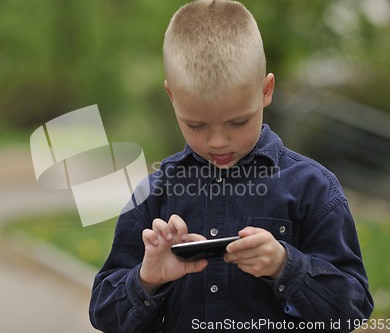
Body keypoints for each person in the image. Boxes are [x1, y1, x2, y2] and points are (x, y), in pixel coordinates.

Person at [89, 0, 374, 332]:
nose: (218, 142)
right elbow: (104, 314)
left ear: (266, 91)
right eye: (196, 125)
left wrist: (286, 266)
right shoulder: (154, 194)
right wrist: (148, 278)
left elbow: (352, 311)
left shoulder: (313, 188)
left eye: (238, 122)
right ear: (172, 98)